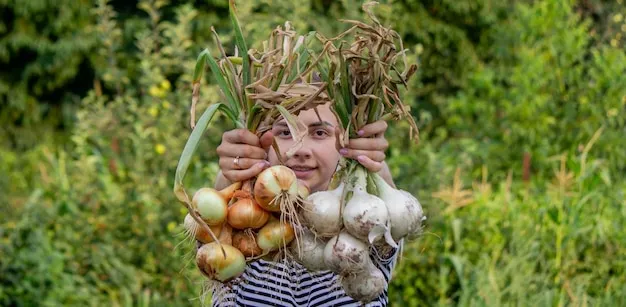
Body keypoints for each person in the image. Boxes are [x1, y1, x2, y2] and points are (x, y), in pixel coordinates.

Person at [211, 102, 399, 306]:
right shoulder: (240, 221)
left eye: (319, 132)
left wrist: (371, 160)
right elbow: (215, 218)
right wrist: (233, 170)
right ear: (263, 141)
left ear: (345, 142)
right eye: (285, 132)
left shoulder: (363, 218)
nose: (300, 150)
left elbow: (392, 217)